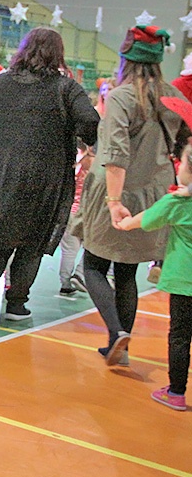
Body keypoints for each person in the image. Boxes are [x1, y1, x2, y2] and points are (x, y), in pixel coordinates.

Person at [0, 27, 99, 322]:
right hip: (44, 178)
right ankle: (16, 304)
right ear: (57, 54)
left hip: (0, 173)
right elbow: (90, 121)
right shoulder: (65, 87)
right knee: (31, 242)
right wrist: (83, 139)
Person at [72, 25, 189, 366]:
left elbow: (115, 154)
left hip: (114, 190)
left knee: (92, 265)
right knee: (126, 273)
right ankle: (119, 349)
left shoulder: (121, 97)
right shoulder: (174, 98)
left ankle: (115, 332)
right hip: (153, 194)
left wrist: (113, 201)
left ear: (126, 59)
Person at [118, 116, 192, 411]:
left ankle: (176, 392)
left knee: (180, 336)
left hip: (184, 281)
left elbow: (144, 220)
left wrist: (123, 223)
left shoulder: (176, 203)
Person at [58, 143, 93, 296]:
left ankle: (65, 283)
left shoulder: (75, 159)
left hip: (69, 209)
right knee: (92, 246)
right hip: (87, 211)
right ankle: (79, 274)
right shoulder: (95, 163)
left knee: (69, 250)